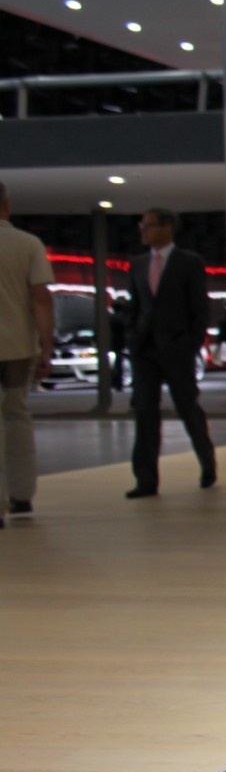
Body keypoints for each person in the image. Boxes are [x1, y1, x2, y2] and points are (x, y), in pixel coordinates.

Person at [123, 207, 216, 499]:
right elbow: (135, 305)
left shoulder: (189, 262)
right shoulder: (138, 264)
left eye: (148, 225)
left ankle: (207, 464)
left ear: (167, 227)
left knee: (188, 409)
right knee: (145, 413)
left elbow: (199, 309)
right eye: (142, 225)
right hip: (144, 350)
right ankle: (145, 480)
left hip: (177, 348)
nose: (143, 230)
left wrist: (190, 344)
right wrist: (132, 337)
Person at [0, 181, 54, 528]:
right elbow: (41, 299)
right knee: (17, 414)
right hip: (18, 347)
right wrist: (46, 347)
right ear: (6, 205)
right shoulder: (27, 244)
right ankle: (21, 494)